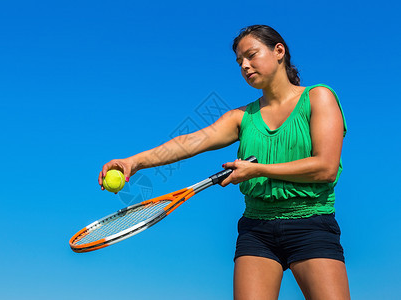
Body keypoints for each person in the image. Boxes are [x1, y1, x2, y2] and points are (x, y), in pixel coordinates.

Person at [99, 25, 350, 300]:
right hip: (257, 230)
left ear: (279, 51)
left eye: (251, 55)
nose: (245, 65)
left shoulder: (318, 97)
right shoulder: (241, 117)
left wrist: (258, 170)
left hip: (311, 224)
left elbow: (325, 168)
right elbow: (190, 142)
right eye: (239, 61)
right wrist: (134, 162)